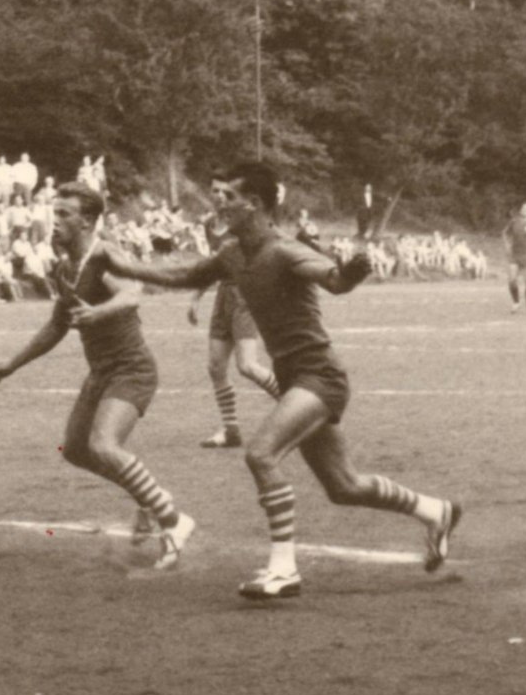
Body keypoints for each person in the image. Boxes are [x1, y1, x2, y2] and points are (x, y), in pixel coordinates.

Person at [118, 163, 461, 600]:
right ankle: (436, 511)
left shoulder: (284, 250)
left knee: (261, 454)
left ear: (254, 204)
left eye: (227, 196)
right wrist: (126, 267)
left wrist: (351, 273)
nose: (218, 203)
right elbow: (185, 276)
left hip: (320, 376)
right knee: (344, 486)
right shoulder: (232, 253)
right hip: (294, 376)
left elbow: (334, 280)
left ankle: (283, 570)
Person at [0, 184, 196, 573]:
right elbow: (57, 326)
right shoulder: (67, 268)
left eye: (64, 214)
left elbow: (131, 294)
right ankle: (151, 498)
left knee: (104, 444)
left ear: (86, 221)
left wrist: (99, 313)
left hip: (132, 369)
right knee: (77, 451)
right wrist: (12, 364)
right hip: (102, 372)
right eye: (55, 212)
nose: (55, 221)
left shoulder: (104, 254)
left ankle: (173, 521)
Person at [188, 219, 281, 450]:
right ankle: (231, 431)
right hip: (224, 295)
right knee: (216, 366)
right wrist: (196, 298)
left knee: (247, 365)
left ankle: (297, 408)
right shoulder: (212, 224)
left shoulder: (251, 221)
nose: (221, 199)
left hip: (245, 296)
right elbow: (214, 266)